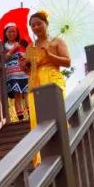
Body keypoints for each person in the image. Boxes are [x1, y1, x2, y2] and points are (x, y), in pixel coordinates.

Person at [27, 11, 71, 164]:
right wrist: (25, 66)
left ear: (46, 23)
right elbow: (29, 69)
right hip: (35, 82)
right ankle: (40, 158)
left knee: (57, 113)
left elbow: (67, 62)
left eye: (39, 24)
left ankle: (65, 148)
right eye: (33, 26)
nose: (36, 27)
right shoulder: (31, 47)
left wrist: (50, 55)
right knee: (37, 117)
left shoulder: (57, 41)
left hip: (53, 79)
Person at [2, 22, 30, 121]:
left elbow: (29, 55)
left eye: (14, 31)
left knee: (27, 92)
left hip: (24, 70)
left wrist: (25, 56)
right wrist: (13, 49)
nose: (11, 33)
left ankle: (31, 114)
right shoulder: (3, 46)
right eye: (9, 32)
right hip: (12, 73)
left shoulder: (23, 43)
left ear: (17, 32)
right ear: (5, 33)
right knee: (17, 94)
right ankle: (20, 117)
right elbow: (4, 59)